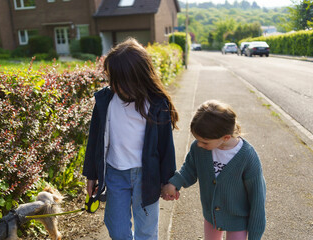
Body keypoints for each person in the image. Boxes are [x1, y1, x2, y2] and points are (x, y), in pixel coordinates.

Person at [82, 38, 179, 240]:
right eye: (111, 79)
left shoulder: (156, 104)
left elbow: (166, 147)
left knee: (146, 231)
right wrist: (92, 174)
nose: (113, 85)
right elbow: (95, 141)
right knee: (117, 230)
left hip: (148, 176)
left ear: (137, 78)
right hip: (116, 175)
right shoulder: (105, 100)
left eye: (117, 80)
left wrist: (169, 182)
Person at [161, 100, 266, 240]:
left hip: (238, 220)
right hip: (211, 216)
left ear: (226, 137)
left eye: (204, 141)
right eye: (197, 139)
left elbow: (257, 197)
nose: (199, 144)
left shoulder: (247, 157)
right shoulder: (200, 149)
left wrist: (255, 236)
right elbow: (190, 169)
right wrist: (174, 183)